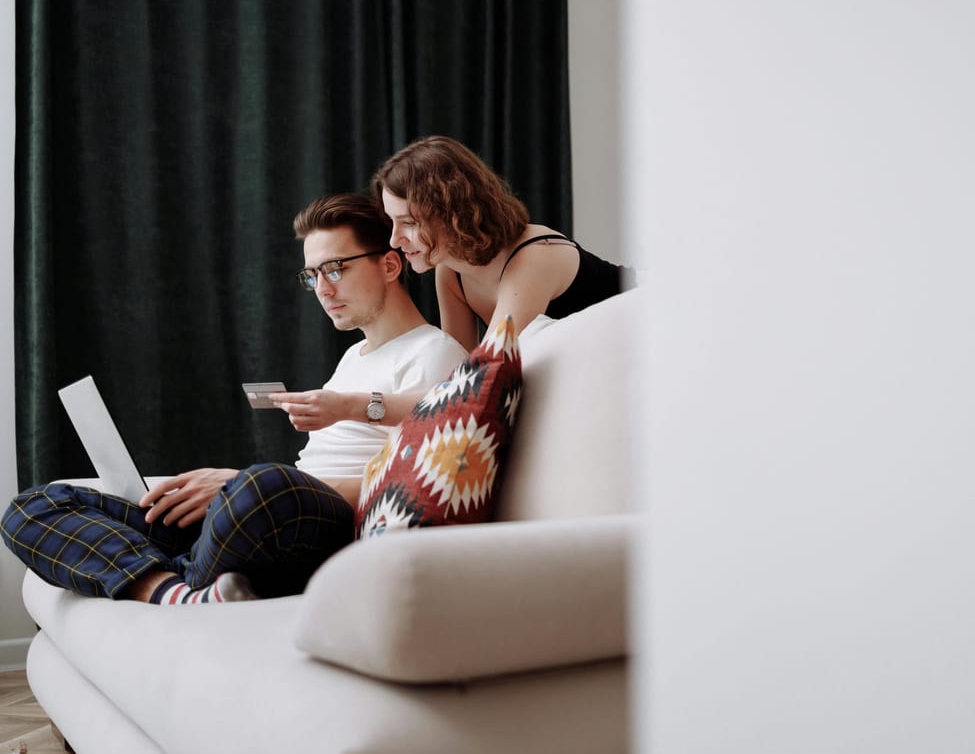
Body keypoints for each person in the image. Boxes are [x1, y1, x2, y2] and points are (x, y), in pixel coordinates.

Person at [1, 194, 467, 604]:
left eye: (335, 269)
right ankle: (174, 591)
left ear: (390, 265)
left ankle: (165, 571)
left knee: (264, 485)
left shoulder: (435, 354)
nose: (323, 290)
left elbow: (407, 488)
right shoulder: (353, 357)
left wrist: (237, 485)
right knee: (34, 506)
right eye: (312, 276)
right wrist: (232, 494)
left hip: (320, 525)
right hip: (266, 520)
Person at [370, 135, 636, 351]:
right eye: (393, 222)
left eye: (409, 222)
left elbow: (483, 371)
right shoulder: (450, 272)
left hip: (651, 326)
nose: (395, 240)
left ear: (453, 213)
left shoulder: (534, 255)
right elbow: (459, 372)